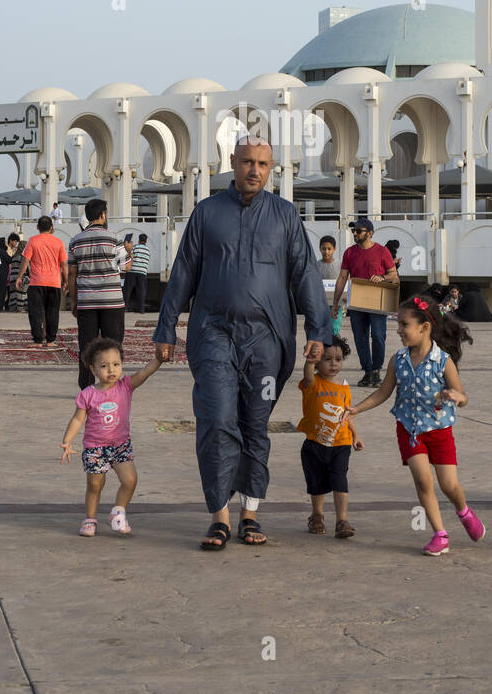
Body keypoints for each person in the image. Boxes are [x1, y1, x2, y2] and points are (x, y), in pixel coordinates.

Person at [153, 136, 332, 550]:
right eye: (248, 162)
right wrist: (166, 328)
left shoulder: (285, 215)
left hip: (267, 340)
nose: (255, 170)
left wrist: (318, 330)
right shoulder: (207, 213)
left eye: (263, 164)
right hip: (213, 332)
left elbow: (305, 273)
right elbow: (183, 272)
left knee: (255, 423)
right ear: (232, 162)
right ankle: (219, 516)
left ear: (272, 168)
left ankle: (249, 513)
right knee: (217, 418)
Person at [343, 294, 484, 556]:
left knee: (449, 485)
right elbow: (383, 392)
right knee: (423, 481)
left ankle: (464, 511)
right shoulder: (398, 360)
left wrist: (457, 396)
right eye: (398, 324)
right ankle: (440, 535)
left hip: (440, 432)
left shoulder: (443, 361)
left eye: (404, 324)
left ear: (424, 327)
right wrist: (357, 409)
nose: (399, 330)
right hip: (409, 430)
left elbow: (463, 396)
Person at [60, 336, 160, 536]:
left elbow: (144, 373)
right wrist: (67, 440)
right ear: (93, 370)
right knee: (95, 485)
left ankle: (118, 513)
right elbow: (78, 419)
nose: (111, 370)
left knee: (130, 480)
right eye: (104, 366)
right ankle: (90, 520)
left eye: (116, 364)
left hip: (121, 444)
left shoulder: (126, 386)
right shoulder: (88, 394)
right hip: (95, 447)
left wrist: (158, 359)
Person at [297, 335, 362, 538]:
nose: (333, 364)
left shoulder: (344, 386)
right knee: (316, 484)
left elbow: (346, 413)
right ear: (318, 362)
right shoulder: (312, 383)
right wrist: (311, 358)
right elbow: (308, 373)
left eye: (338, 359)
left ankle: (342, 521)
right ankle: (317, 515)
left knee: (340, 480)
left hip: (341, 444)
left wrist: (355, 434)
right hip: (314, 444)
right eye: (327, 359)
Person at [332, 218, 399, 387]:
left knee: (378, 335)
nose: (355, 233)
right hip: (357, 302)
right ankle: (368, 371)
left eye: (358, 231)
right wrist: (335, 303)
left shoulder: (382, 251)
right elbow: (342, 278)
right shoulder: (349, 253)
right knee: (360, 338)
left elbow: (394, 276)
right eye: (353, 230)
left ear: (370, 233)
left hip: (377, 303)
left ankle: (376, 370)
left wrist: (382, 277)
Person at [67, 198, 125, 391]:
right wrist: (129, 252)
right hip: (112, 302)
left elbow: (72, 274)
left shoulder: (75, 241)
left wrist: (74, 301)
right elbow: (126, 267)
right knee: (113, 347)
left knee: (87, 347)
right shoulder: (114, 238)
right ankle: (112, 388)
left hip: (87, 302)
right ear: (103, 214)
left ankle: (86, 389)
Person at [16, 216, 68, 345]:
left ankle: (38, 340)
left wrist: (19, 276)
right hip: (54, 283)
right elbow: (64, 264)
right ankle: (50, 340)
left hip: (36, 282)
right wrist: (66, 281)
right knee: (53, 312)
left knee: (35, 313)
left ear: (37, 227)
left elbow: (25, 260)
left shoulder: (32, 241)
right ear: (51, 228)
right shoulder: (59, 242)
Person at [317, 235, 343, 335]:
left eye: (329, 249)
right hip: (320, 303)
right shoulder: (316, 265)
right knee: (321, 329)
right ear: (320, 249)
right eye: (324, 249)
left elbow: (345, 282)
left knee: (334, 329)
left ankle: (336, 342)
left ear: (334, 249)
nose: (326, 252)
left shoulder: (340, 265)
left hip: (336, 303)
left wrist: (345, 298)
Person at [123, 232, 150, 313]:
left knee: (127, 290)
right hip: (142, 272)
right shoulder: (148, 250)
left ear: (139, 239)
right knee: (141, 291)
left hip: (132, 271)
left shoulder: (135, 247)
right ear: (146, 241)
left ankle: (125, 307)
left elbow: (129, 255)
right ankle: (141, 309)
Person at [6, 235, 27, 314]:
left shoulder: (15, 255)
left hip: (13, 276)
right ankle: (20, 308)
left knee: (13, 292)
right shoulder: (23, 256)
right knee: (21, 292)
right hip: (19, 275)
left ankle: (13, 307)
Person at [0, 237, 11, 312]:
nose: (6, 244)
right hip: (2, 274)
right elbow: (9, 259)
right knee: (1, 291)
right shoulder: (2, 252)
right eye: (5, 243)